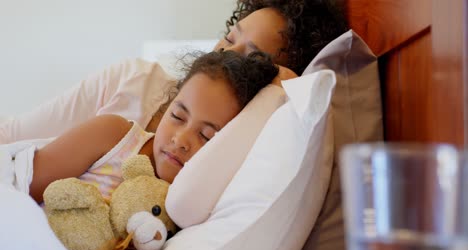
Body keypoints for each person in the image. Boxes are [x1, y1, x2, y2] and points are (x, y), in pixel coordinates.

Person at [28, 51, 278, 250]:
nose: (180, 140)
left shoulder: (191, 215)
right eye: (178, 117)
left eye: (206, 136)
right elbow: (18, 190)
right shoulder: (113, 137)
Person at [0, 0, 347, 145]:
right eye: (228, 38)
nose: (224, 54)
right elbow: (13, 135)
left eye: (252, 58)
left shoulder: (234, 147)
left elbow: (294, 89)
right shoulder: (133, 80)